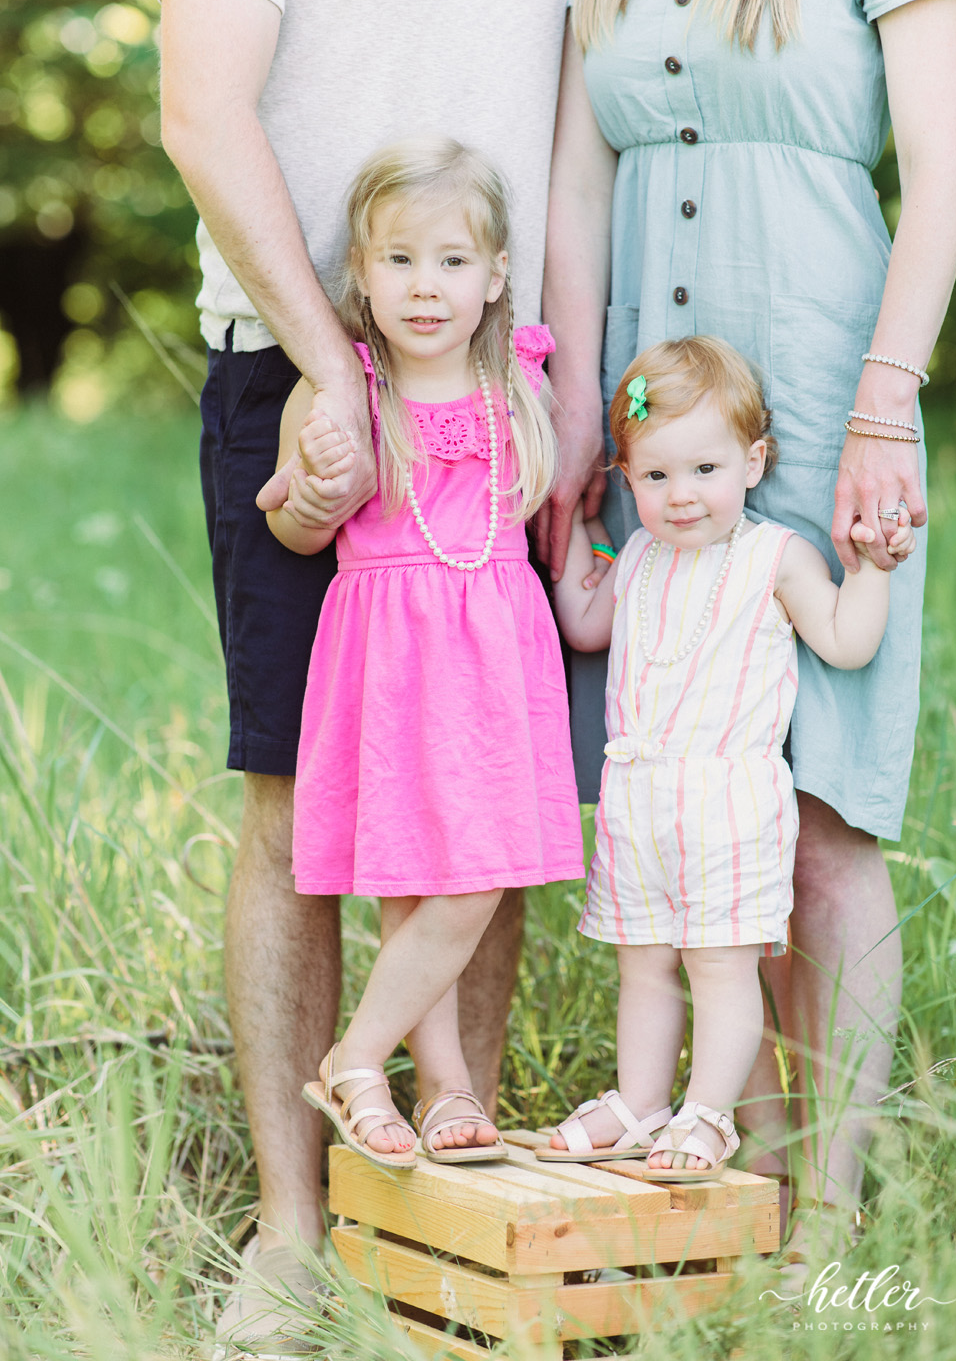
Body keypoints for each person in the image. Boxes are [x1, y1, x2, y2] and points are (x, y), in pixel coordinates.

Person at [155, 0, 570, 1351]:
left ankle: (441, 1210)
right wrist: (331, 370)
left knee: (483, 799)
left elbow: (571, 138)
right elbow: (200, 110)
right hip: (301, 354)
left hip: (497, 367)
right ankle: (291, 1231)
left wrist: (556, 381)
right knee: (295, 803)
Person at [540, 0, 956, 1265]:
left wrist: (884, 405)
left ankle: (825, 1217)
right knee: (701, 806)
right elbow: (573, 186)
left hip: (825, 382)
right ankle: (738, 1202)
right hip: (655, 429)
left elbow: (943, 178)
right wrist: (575, 427)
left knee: (827, 818)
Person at [271, 135, 582, 1170]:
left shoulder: (517, 382)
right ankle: (437, 1081)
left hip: (494, 654)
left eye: (451, 261)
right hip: (390, 658)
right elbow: (290, 523)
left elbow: (546, 517)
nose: (424, 286)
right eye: (397, 259)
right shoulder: (340, 387)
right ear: (358, 274)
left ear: (496, 277)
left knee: (478, 868)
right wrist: (314, 494)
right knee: (419, 875)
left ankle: (358, 1054)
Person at [541, 337, 914, 1181]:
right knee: (643, 964)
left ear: (753, 463)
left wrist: (876, 569)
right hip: (640, 803)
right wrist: (574, 527)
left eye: (705, 470)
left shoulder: (772, 556)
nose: (681, 498)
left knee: (718, 966)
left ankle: (709, 1113)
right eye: (657, 477)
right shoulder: (634, 555)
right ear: (630, 478)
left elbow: (846, 640)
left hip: (727, 805)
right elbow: (586, 623)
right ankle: (641, 1101)